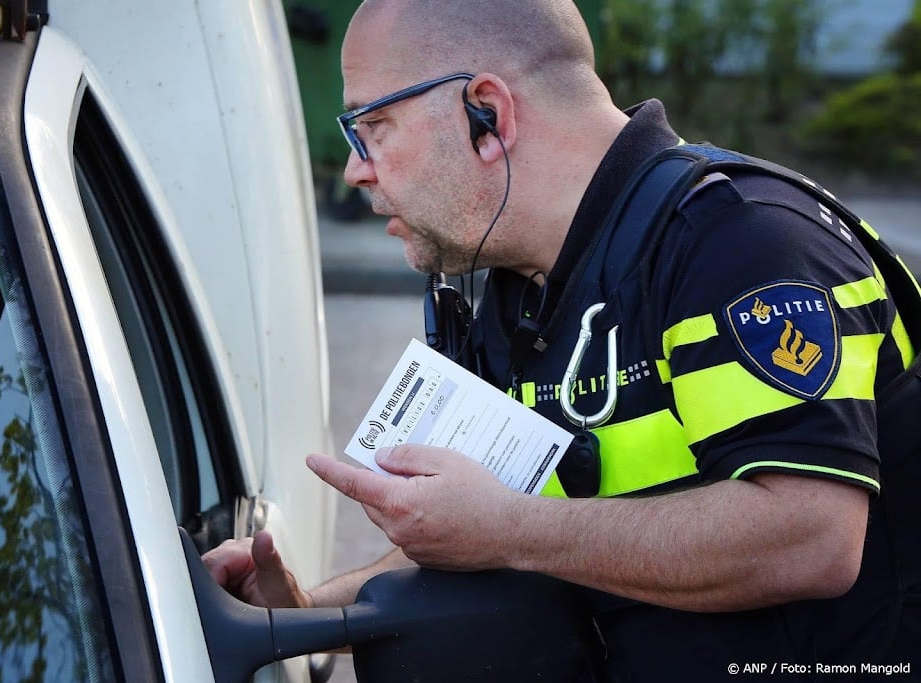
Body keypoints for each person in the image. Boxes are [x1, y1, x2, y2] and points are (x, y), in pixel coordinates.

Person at [203, 0, 921, 677]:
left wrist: (510, 528)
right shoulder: (520, 286)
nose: (357, 167)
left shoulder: (741, 241)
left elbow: (812, 537)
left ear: (487, 113)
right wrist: (302, 614)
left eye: (373, 128)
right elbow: (490, 525)